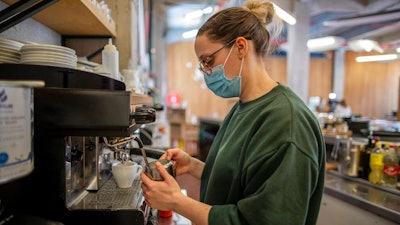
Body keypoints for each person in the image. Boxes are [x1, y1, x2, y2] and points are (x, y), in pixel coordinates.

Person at [140, 1, 326, 225]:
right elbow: (244, 180)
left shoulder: (286, 122)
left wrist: (176, 202)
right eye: (202, 66)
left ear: (240, 47)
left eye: (209, 61)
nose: (207, 72)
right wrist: (195, 166)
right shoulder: (242, 108)